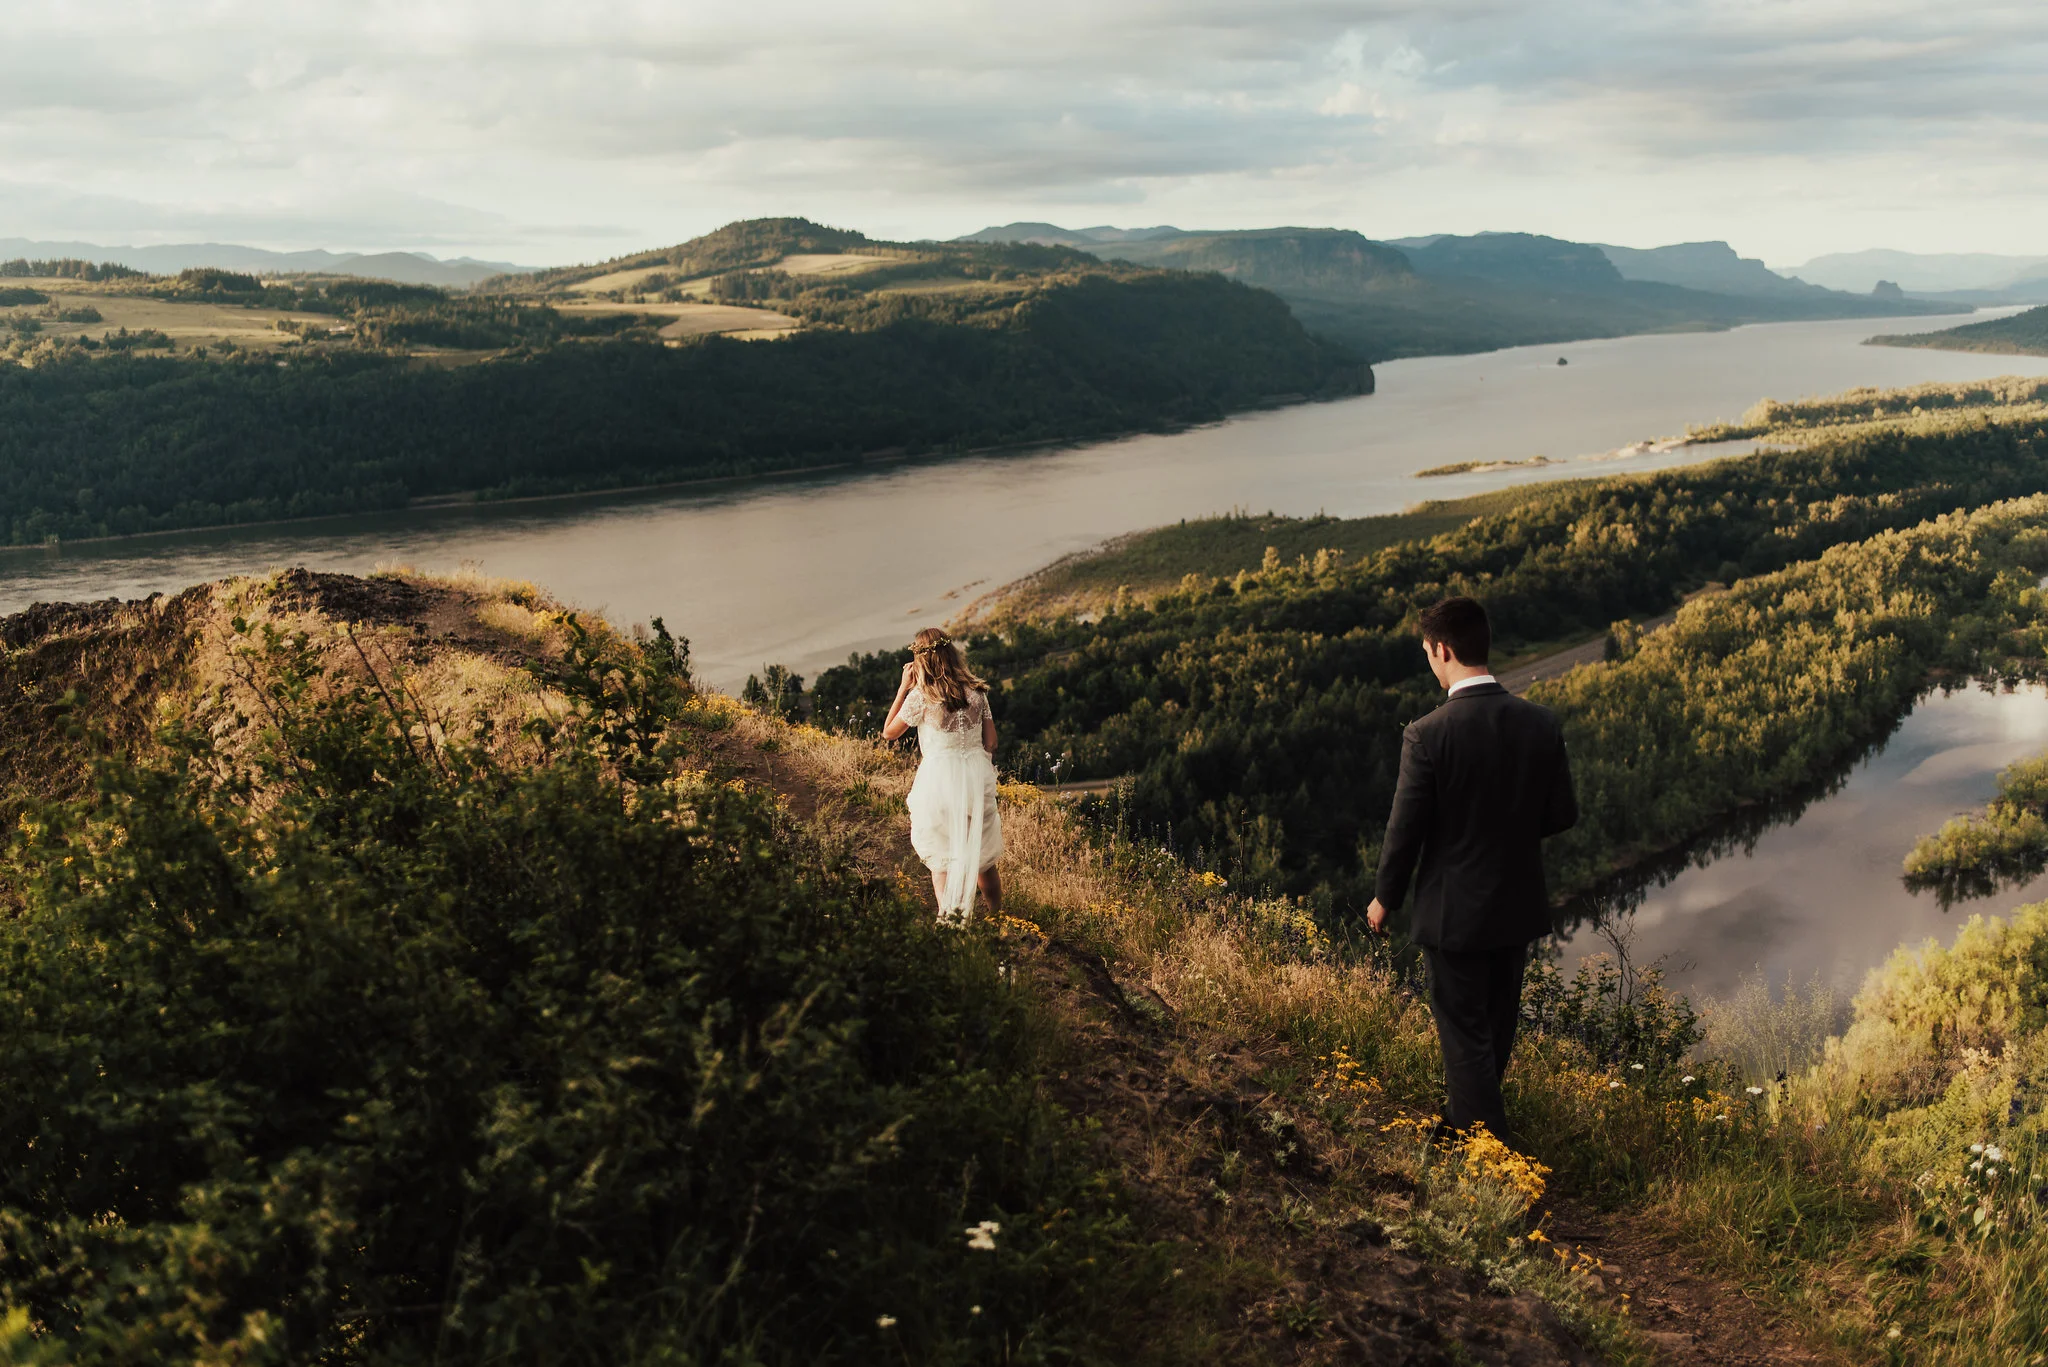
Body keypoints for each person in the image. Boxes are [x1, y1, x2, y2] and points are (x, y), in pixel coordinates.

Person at [1367, 596, 1577, 1143]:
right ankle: (1463, 1131)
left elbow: (1405, 830)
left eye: (1427, 653)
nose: (1429, 663)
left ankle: (1492, 1155)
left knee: (1465, 1039)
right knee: (1494, 1032)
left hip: (1453, 913)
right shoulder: (1540, 722)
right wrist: (1506, 832)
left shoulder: (1427, 734)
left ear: (1443, 650)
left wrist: (1385, 898)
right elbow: (1562, 814)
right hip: (1516, 904)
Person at [883, 627, 1004, 923]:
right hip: (976, 779)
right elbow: (991, 742)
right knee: (982, 859)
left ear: (921, 660)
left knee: (942, 859)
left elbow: (889, 733)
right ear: (951, 654)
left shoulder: (921, 697)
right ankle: (997, 918)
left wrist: (902, 689)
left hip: (938, 782)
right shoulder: (977, 692)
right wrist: (975, 762)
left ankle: (950, 920)